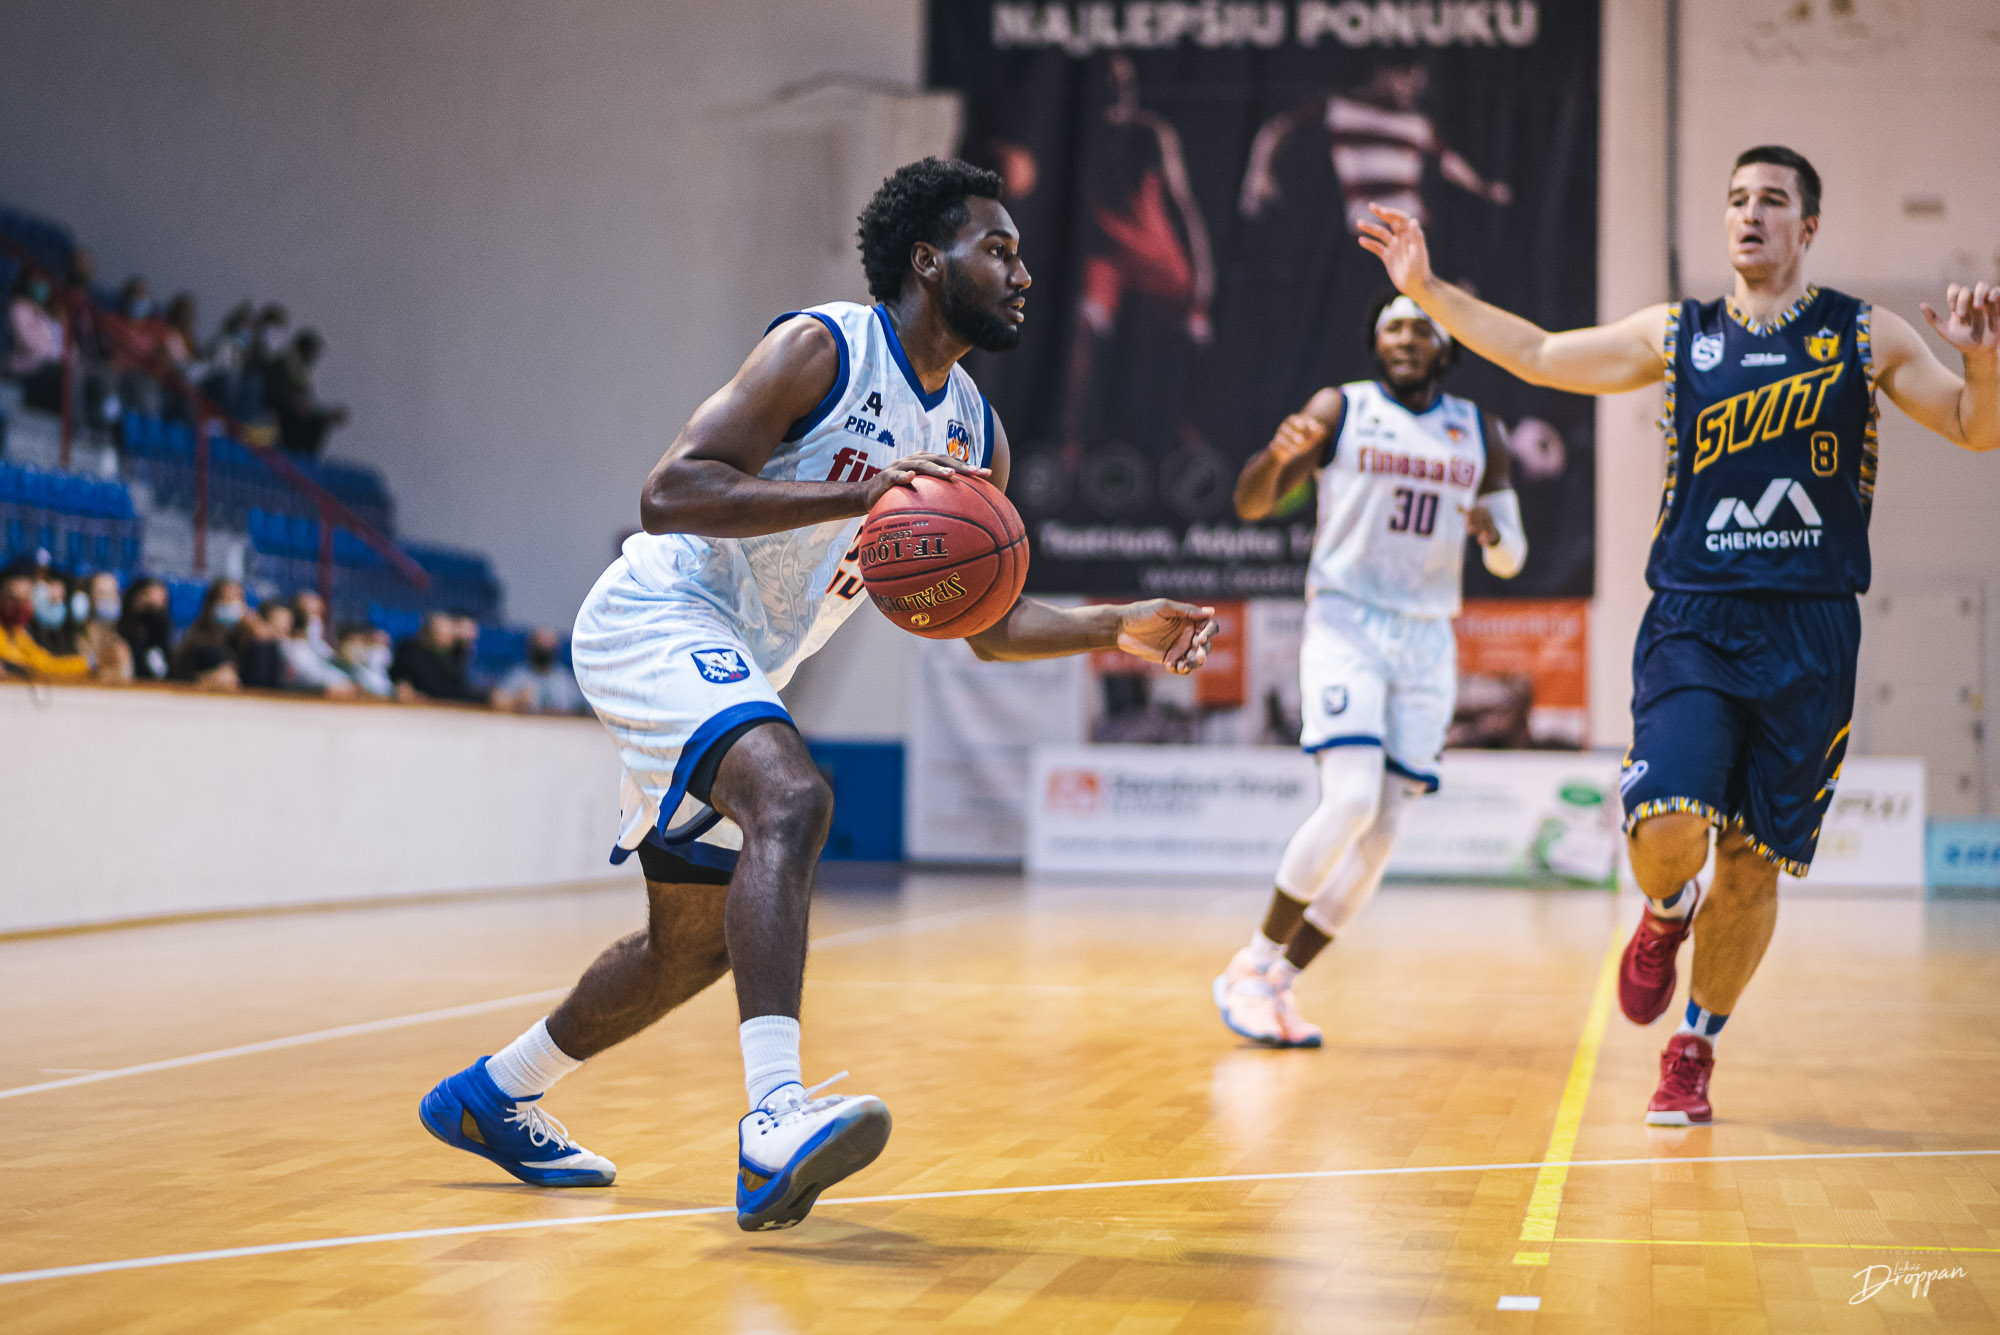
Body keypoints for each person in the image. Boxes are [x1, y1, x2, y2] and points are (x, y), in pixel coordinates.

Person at [417, 157, 1217, 1231]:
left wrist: (1112, 625)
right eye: (999, 250)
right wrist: (853, 496)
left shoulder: (975, 434)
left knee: (691, 946)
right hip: (661, 613)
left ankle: (494, 1093)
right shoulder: (825, 349)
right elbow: (668, 492)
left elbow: (983, 625)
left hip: (741, 664)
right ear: (927, 261)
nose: (1024, 273)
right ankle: (773, 1123)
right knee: (792, 799)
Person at [1358, 145, 2000, 1125]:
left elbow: (1973, 427)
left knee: (1750, 863)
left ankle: (1693, 1046)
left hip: (1810, 631)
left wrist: (1983, 363)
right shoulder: (1680, 335)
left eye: (1771, 200)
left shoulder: (1861, 335)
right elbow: (1540, 354)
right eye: (1736, 198)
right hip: (1694, 619)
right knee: (1665, 828)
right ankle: (1664, 913)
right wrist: (1427, 289)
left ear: (1807, 226)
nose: (1749, 214)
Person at [1212, 292, 1527, 1047]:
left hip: (1426, 637)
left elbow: (1512, 557)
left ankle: (1280, 983)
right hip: (1347, 621)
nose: (1406, 338)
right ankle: (1250, 965)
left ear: (1445, 348)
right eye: (1393, 327)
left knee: (1382, 833)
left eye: (1421, 328)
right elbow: (1251, 504)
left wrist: (1492, 534)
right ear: (1376, 342)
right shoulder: (1342, 407)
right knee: (1350, 799)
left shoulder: (1480, 430)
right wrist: (1277, 457)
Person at [1239, 62, 1512, 232]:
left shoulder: (1416, 124)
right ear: (1383, 73)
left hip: (1412, 234)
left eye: (1416, 82)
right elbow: (1275, 129)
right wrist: (1257, 174)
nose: (1411, 87)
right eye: (1405, 77)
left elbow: (1448, 162)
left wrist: (1484, 187)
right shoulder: (1341, 109)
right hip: (1367, 237)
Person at [0, 559, 90, 679]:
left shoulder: (18, 633)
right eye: (13, 599)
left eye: (25, 599)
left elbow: (46, 663)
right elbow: (29, 665)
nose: (20, 606)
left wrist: (88, 663)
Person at [265, 329, 348, 457]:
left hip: (294, 414)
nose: (314, 357)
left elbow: (304, 401)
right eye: (312, 352)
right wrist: (294, 402)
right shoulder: (282, 365)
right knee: (316, 422)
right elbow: (274, 392)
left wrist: (323, 412)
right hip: (281, 415)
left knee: (321, 420)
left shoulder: (302, 372)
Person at [168, 578, 256, 691]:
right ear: (212, 603)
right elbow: (177, 678)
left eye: (237, 600)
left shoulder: (249, 639)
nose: (232, 605)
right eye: (225, 599)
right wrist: (207, 680)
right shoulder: (197, 640)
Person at [390, 611, 490, 703]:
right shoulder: (411, 652)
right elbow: (443, 692)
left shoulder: (451, 659)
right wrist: (485, 698)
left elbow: (457, 689)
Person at [7, 266, 66, 412]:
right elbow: (28, 344)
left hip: (53, 365)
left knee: (87, 375)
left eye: (45, 282)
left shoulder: (51, 314)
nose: (42, 286)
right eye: (38, 281)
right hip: (30, 366)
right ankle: (75, 422)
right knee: (68, 375)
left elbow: (65, 345)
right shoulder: (19, 308)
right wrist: (56, 356)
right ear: (27, 282)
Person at [494, 628, 586, 715]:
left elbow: (583, 708)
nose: (544, 649)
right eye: (540, 645)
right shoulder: (518, 674)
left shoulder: (565, 679)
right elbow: (496, 700)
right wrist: (516, 700)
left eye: (548, 646)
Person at [76, 571, 134, 683]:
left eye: (113, 594)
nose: (109, 600)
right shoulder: (76, 639)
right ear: (89, 599)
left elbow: (126, 682)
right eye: (103, 594)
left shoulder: (121, 645)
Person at [119, 576, 175, 681]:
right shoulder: (120, 637)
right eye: (149, 604)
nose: (154, 609)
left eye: (160, 605)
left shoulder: (164, 640)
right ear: (134, 598)